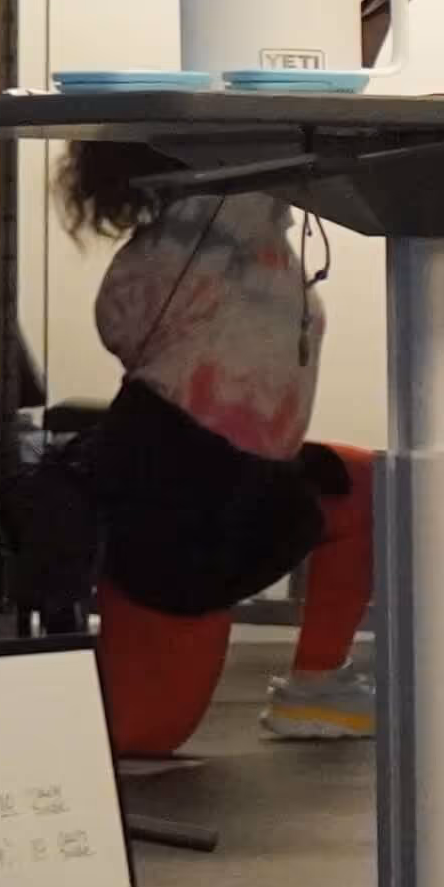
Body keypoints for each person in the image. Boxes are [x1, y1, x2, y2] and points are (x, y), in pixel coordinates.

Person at [52, 149, 377, 750]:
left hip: (253, 478)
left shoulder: (258, 238)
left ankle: (316, 690)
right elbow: (119, 324)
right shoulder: (206, 226)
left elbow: (117, 329)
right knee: (141, 737)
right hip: (175, 494)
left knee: (366, 487)